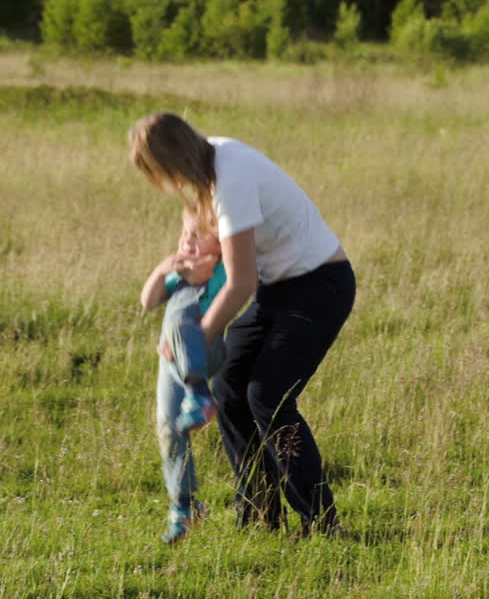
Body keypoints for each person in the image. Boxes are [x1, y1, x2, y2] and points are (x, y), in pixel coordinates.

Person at [129, 112, 355, 539]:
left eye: (159, 173)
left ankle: (322, 525)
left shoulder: (229, 180)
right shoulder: (213, 163)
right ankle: (261, 517)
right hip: (278, 289)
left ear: (172, 162)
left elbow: (240, 282)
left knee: (268, 396)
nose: (164, 184)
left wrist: (194, 340)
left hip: (320, 287)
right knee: (230, 388)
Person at [139, 205, 227, 545]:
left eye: (196, 235)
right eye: (183, 233)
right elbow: (147, 302)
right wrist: (162, 270)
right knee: (168, 427)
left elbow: (220, 302)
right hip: (170, 363)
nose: (186, 241)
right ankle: (185, 507)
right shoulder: (178, 272)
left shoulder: (222, 271)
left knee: (178, 320)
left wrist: (198, 273)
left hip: (204, 354)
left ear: (219, 243)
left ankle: (199, 394)